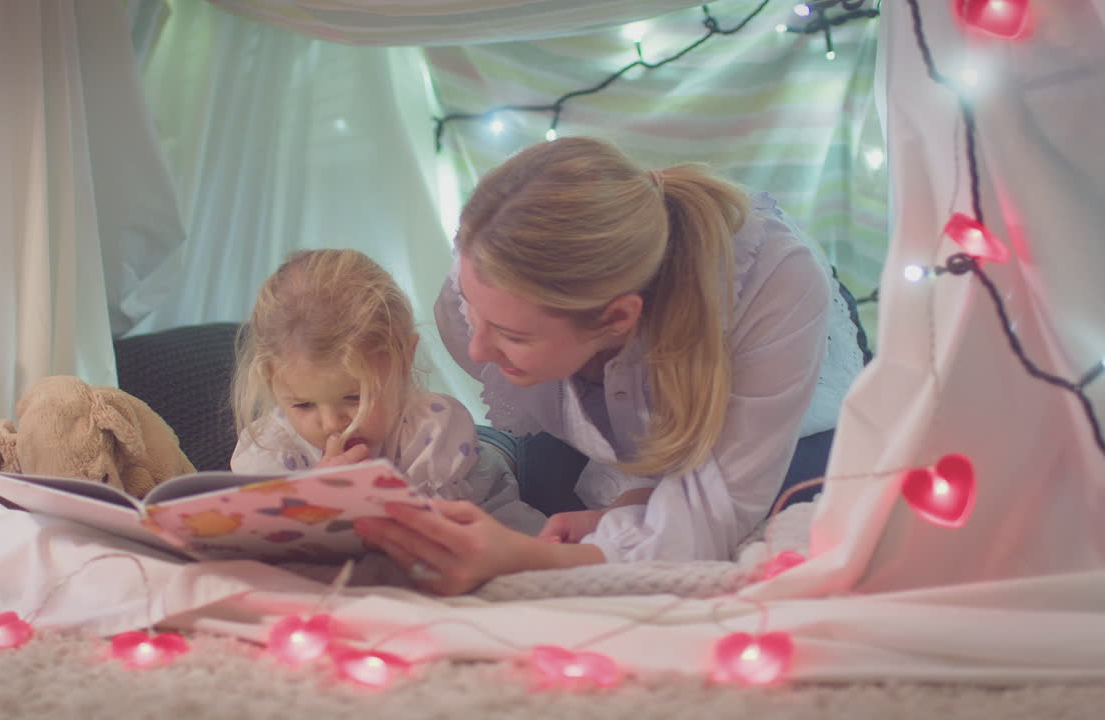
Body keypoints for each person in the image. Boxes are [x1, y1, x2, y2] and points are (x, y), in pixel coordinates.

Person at [353, 136, 863, 595]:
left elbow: (715, 510)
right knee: (552, 499)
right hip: (600, 373)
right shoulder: (482, 290)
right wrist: (632, 501)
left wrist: (535, 560)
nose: (479, 350)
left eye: (512, 335)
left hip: (787, 398)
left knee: (797, 507)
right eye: (472, 308)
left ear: (617, 318)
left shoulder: (771, 284)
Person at [229, 248, 544, 535]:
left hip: (480, 496)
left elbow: (463, 536)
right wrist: (310, 503)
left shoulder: (433, 436)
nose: (331, 423)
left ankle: (502, 445)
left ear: (405, 358)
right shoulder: (271, 453)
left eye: (355, 398)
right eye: (303, 405)